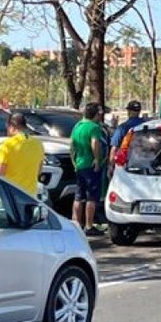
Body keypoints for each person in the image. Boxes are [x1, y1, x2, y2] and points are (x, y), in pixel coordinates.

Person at [69, 101, 107, 236]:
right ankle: (89, 225)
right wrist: (97, 159)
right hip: (91, 166)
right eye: (99, 114)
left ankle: (76, 223)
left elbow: (72, 146)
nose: (100, 117)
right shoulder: (94, 127)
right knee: (92, 196)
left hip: (79, 165)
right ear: (96, 114)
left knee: (78, 196)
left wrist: (74, 162)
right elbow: (95, 142)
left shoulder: (77, 126)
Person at [0, 109, 47, 197]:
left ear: (11, 126)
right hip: (30, 196)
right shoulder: (38, 144)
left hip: (10, 197)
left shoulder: (6, 145)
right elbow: (38, 171)